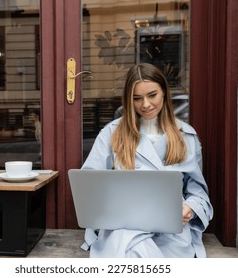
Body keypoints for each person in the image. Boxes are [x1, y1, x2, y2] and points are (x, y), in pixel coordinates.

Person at [80, 63, 213, 258]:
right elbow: (89, 186)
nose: (146, 105)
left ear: (164, 93)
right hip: (122, 226)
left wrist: (190, 208)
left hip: (170, 231)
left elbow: (198, 192)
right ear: (128, 99)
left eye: (152, 95)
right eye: (137, 98)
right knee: (129, 246)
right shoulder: (111, 133)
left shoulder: (186, 136)